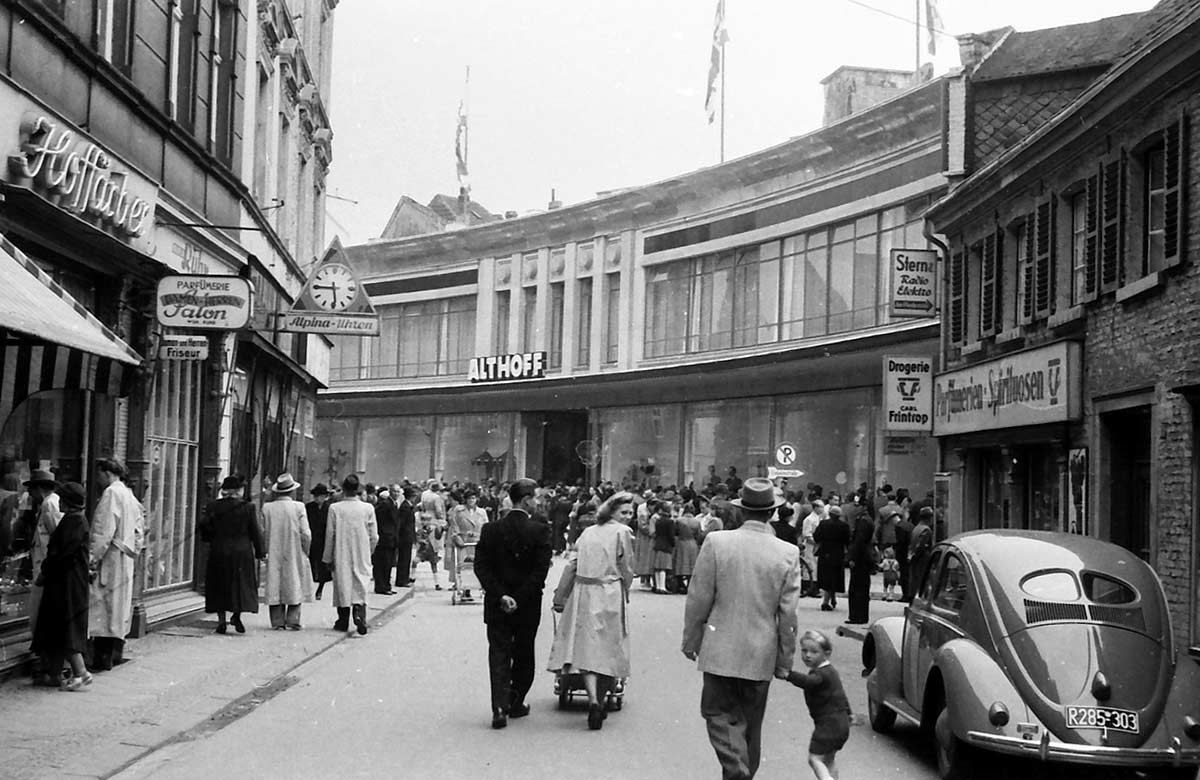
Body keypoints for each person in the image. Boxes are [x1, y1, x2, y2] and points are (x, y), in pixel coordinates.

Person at [682, 477, 802, 780]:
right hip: (760, 652)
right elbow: (788, 617)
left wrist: (691, 639)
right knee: (751, 724)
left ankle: (736, 770)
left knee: (717, 713)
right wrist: (785, 661)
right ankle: (741, 772)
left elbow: (699, 598)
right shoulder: (787, 553)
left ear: (741, 511)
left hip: (719, 647)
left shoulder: (717, 543)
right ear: (772, 513)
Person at [547, 493, 635, 730]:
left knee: (586, 646)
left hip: (584, 591)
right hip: (609, 591)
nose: (628, 517)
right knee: (609, 646)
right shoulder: (622, 533)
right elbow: (627, 567)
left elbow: (572, 565)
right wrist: (625, 588)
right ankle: (602, 699)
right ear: (612, 512)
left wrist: (560, 595)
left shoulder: (588, 532)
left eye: (630, 512)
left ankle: (594, 700)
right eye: (624, 512)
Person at [473, 477, 552, 730]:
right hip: (527, 605)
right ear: (527, 499)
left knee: (498, 653)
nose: (538, 503)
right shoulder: (540, 530)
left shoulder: (491, 529)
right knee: (524, 652)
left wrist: (501, 595)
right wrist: (518, 598)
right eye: (536, 498)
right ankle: (516, 700)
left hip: (497, 604)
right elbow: (540, 572)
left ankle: (498, 707)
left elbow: (481, 567)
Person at [30, 482, 92, 691]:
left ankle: (81, 673)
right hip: (66, 582)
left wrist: (44, 572)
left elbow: (61, 553)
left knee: (65, 625)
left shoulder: (73, 522)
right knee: (58, 626)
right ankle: (54, 673)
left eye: (63, 499)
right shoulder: (74, 520)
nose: (60, 503)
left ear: (69, 502)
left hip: (67, 584)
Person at [89, 459, 144, 671]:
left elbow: (103, 530)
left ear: (106, 473)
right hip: (125, 557)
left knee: (104, 607)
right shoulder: (129, 495)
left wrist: (93, 559)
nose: (97, 479)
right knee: (119, 608)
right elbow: (140, 529)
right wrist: (134, 551)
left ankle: (102, 659)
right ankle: (115, 654)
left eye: (99, 474)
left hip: (111, 557)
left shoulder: (111, 493)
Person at [781, 629, 851, 780]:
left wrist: (788, 675)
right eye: (804, 650)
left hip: (828, 725)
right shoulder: (831, 671)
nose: (807, 655)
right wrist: (850, 715)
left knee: (814, 759)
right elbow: (842, 697)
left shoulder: (821, 674)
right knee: (828, 760)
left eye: (814, 652)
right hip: (841, 724)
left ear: (827, 653)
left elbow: (809, 682)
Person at [199, 475, 264, 634]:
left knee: (219, 585)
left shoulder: (213, 506)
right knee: (239, 585)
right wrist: (261, 552)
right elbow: (255, 531)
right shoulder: (248, 507)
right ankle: (236, 615)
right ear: (238, 490)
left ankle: (221, 621)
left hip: (219, 550)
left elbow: (206, 531)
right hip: (241, 551)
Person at [323, 474, 378, 635]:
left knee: (342, 582)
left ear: (344, 490)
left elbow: (330, 535)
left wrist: (327, 557)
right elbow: (374, 535)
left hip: (341, 551)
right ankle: (359, 614)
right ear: (357, 490)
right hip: (362, 550)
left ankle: (343, 620)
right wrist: (370, 550)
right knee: (361, 581)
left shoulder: (335, 508)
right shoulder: (368, 508)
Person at [22, 469, 62, 680]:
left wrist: (48, 567)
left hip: (46, 569)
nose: (30, 495)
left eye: (31, 490)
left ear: (39, 489)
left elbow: (56, 536)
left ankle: (46, 662)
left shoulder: (49, 504)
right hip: (45, 566)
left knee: (40, 614)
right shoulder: (49, 503)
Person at [261, 473, 313, 630]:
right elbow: (306, 533)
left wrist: (265, 550)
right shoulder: (299, 507)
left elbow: (262, 532)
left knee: (275, 582)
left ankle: (277, 621)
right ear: (292, 491)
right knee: (295, 581)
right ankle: (293, 619)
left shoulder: (267, 508)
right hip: (294, 549)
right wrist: (306, 550)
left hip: (274, 549)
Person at [448, 489, 487, 601]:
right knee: (462, 565)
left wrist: (484, 539)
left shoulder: (481, 512)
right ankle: (464, 590)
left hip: (477, 542)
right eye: (469, 498)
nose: (471, 501)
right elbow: (454, 525)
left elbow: (486, 526)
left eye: (473, 498)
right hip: (463, 541)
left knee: (476, 565)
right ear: (465, 499)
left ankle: (477, 587)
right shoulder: (459, 510)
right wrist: (456, 537)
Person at [844, 496, 876, 626]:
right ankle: (861, 615)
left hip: (861, 559)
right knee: (862, 587)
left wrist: (852, 558)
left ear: (864, 507)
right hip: (865, 557)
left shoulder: (863, 521)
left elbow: (859, 541)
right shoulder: (868, 520)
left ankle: (857, 615)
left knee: (857, 588)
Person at [813, 505, 850, 612]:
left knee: (826, 577)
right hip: (837, 554)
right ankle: (827, 601)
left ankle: (830, 599)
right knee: (834, 577)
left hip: (824, 553)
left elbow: (816, 537)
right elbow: (847, 540)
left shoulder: (823, 524)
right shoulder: (844, 526)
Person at [418, 481, 447, 590]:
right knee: (435, 546)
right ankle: (436, 581)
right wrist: (443, 520)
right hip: (434, 521)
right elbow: (439, 511)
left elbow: (421, 506)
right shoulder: (437, 498)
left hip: (425, 518)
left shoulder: (424, 494)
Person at [305, 484, 332, 600]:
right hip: (312, 539)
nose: (317, 498)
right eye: (315, 496)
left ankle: (320, 588)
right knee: (310, 564)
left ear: (325, 496)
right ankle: (310, 587)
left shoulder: (330, 508)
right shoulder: (309, 507)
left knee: (323, 566)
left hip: (324, 541)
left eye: (319, 496)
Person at [372, 485, 399, 595]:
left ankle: (386, 585)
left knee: (388, 564)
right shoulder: (385, 504)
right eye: (394, 492)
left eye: (398, 492)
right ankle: (381, 586)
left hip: (391, 538)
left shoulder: (393, 504)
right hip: (385, 539)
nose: (396, 494)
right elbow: (381, 521)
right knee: (383, 563)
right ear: (390, 492)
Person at [908, 507, 935, 596]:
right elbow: (921, 545)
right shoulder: (926, 530)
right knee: (922, 581)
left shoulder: (916, 528)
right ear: (930, 518)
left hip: (915, 558)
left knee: (915, 581)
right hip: (922, 560)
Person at [395, 484, 418, 587]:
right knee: (404, 559)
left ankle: (405, 577)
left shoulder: (407, 505)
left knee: (407, 558)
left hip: (408, 536)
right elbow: (403, 523)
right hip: (405, 536)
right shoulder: (405, 507)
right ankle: (401, 580)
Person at [651, 500, 675, 593]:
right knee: (663, 567)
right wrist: (673, 543)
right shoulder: (670, 522)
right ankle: (662, 587)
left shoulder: (658, 520)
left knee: (658, 567)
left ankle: (657, 586)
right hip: (666, 545)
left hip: (658, 543)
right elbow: (671, 535)